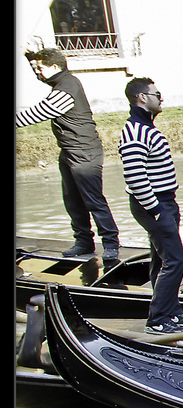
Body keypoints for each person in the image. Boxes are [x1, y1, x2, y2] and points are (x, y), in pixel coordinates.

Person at [18, 46, 119, 260]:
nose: (39, 73)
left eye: (41, 68)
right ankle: (84, 242)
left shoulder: (67, 88)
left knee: (93, 200)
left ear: (54, 67)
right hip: (69, 151)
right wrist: (30, 57)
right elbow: (40, 77)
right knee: (72, 199)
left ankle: (111, 244)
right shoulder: (60, 80)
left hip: (84, 152)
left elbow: (39, 112)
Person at [116, 77, 183, 332]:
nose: (160, 99)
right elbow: (135, 176)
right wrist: (156, 211)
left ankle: (171, 312)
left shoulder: (146, 128)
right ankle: (158, 319)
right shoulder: (135, 132)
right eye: (157, 94)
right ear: (142, 97)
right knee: (175, 260)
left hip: (164, 202)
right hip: (153, 205)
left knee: (162, 260)